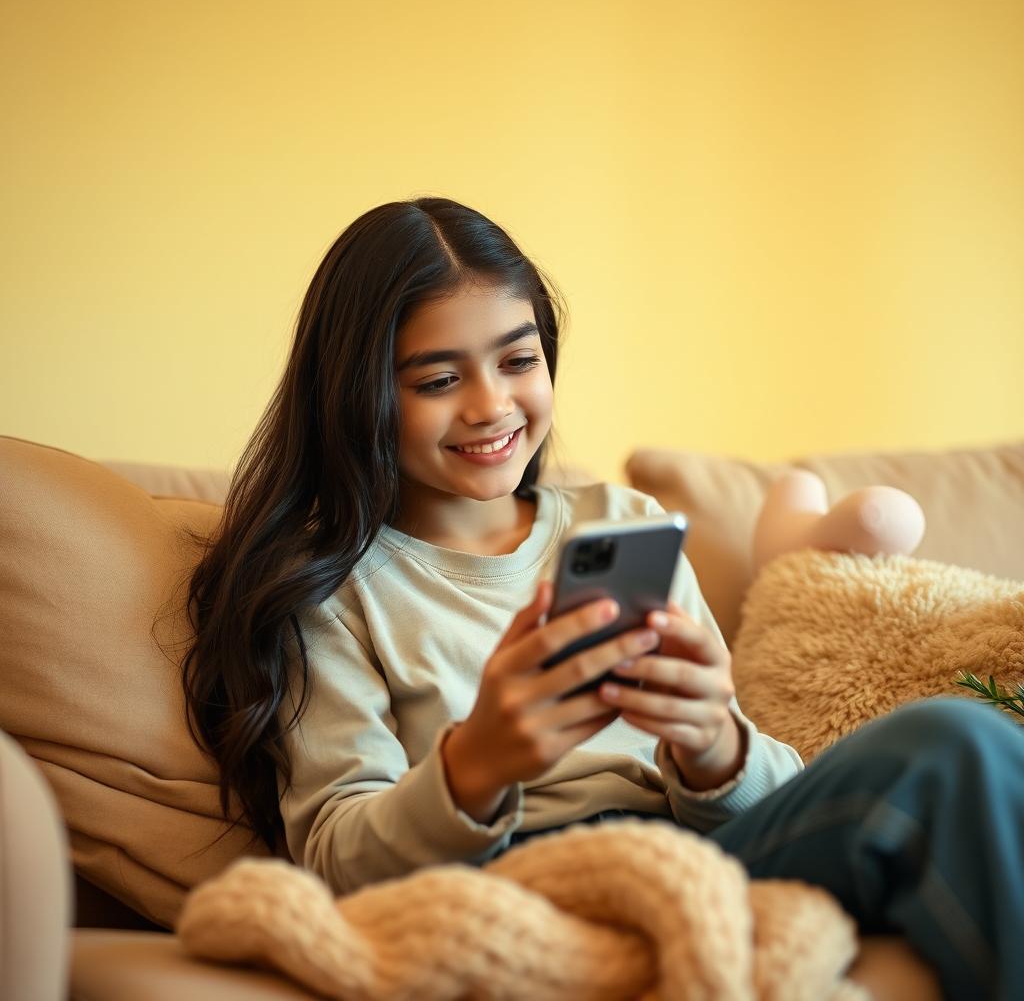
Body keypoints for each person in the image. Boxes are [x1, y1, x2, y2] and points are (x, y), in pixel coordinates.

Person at [181, 196, 1023, 1001]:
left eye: (518, 359)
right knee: (953, 742)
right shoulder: (329, 586)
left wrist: (714, 743)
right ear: (355, 393)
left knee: (956, 739)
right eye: (438, 379)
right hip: (523, 880)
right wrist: (478, 763)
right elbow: (334, 859)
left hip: (701, 848)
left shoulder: (622, 525)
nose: (491, 404)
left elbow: (767, 795)